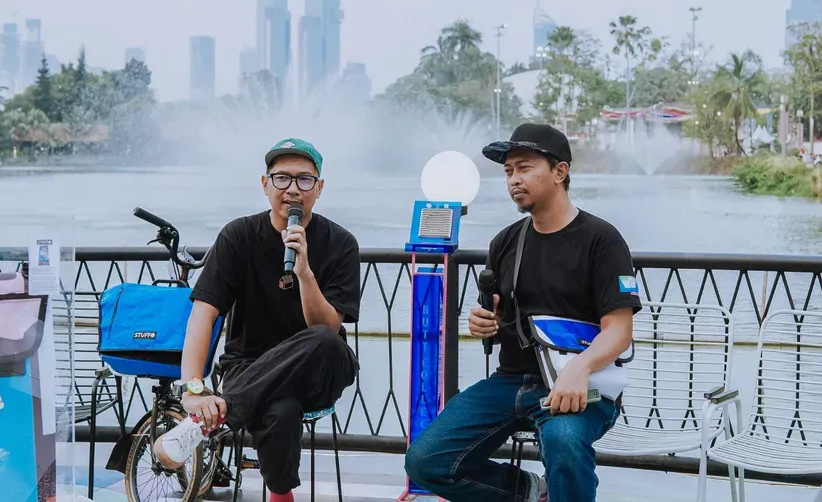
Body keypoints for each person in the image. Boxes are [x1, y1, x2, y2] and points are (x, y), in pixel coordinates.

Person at [404, 123, 641, 502]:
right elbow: (500, 318)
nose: (514, 179)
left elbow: (618, 330)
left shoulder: (602, 240)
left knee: (564, 441)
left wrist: (579, 369)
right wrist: (486, 323)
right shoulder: (506, 242)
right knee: (425, 461)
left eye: (525, 168)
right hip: (511, 381)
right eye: (508, 171)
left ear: (560, 172)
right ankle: (533, 491)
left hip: (583, 383)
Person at [153, 138, 361, 502]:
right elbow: (203, 314)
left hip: (320, 368)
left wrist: (304, 272)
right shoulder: (238, 236)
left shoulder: (341, 243)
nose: (293, 189)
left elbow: (327, 326)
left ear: (319, 188)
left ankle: (206, 424)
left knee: (324, 339)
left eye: (304, 180)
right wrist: (193, 388)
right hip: (248, 366)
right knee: (281, 408)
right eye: (282, 178)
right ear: (265, 184)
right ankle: (281, 496)